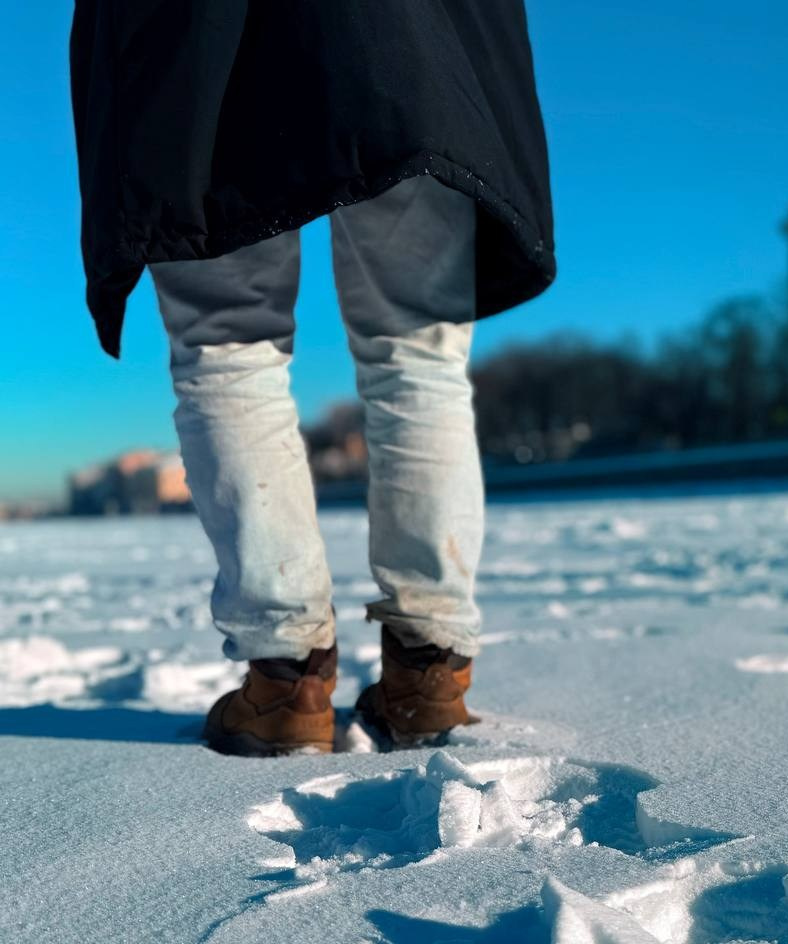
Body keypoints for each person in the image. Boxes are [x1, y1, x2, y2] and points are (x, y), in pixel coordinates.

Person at [70, 1, 554, 754]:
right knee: (416, 351)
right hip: (414, 45)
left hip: (199, 51)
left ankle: (284, 680)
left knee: (226, 344)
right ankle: (429, 675)